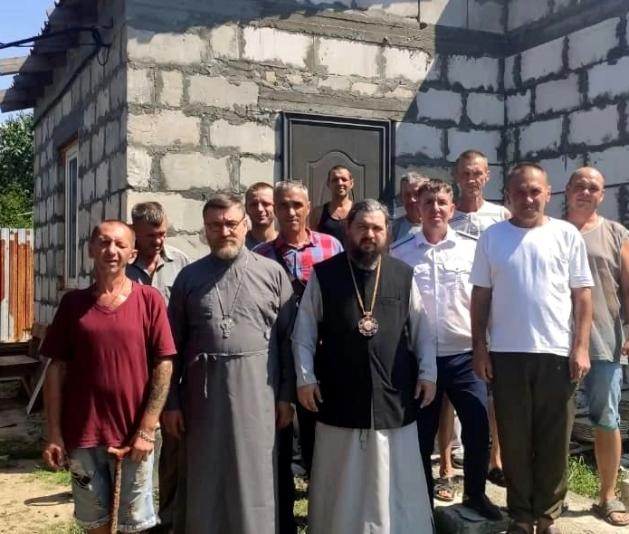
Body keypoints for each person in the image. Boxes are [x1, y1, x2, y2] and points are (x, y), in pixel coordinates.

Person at [293, 199, 437, 534]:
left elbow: (422, 329)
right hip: (339, 392)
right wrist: (305, 378)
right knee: (343, 473)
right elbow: (304, 332)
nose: (369, 235)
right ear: (348, 230)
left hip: (393, 393)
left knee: (395, 471)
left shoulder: (402, 274)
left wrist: (428, 373)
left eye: (376, 228)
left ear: (387, 232)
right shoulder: (325, 275)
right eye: (362, 227)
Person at [470, 163, 593, 534]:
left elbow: (582, 296)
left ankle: (548, 515)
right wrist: (480, 349)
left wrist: (581, 347)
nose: (528, 199)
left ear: (548, 193)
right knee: (514, 439)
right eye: (520, 192)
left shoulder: (566, 235)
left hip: (557, 354)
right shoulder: (492, 238)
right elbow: (480, 297)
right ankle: (522, 516)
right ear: (508, 196)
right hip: (506, 355)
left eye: (535, 191)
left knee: (555, 440)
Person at [162, 193, 295, 534]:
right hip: (202, 401)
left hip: (258, 397)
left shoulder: (272, 273)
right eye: (215, 226)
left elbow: (287, 341)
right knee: (205, 475)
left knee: (255, 475)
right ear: (205, 230)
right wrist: (171, 403)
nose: (224, 232)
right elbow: (172, 347)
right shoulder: (189, 278)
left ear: (245, 225)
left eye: (231, 224)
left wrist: (285, 396)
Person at [41, 220, 175, 534]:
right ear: (90, 249)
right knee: (95, 525)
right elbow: (56, 369)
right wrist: (54, 433)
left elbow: (164, 364)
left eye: (120, 244)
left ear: (132, 254)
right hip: (83, 435)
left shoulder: (149, 300)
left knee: (135, 526)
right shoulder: (73, 304)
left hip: (134, 435)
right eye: (103, 242)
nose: (111, 250)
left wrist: (147, 428)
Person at [391, 180, 502, 520]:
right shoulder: (400, 252)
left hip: (465, 355)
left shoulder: (473, 249)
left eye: (442, 202)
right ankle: (421, 504)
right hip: (419, 360)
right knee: (421, 436)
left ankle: (475, 495)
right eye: (428, 202)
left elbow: (486, 299)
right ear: (418, 207)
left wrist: (487, 347)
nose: (435, 208)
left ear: (452, 209)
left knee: (477, 427)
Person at [253, 180, 343, 534]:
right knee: (277, 445)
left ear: (308, 208)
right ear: (274, 209)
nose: (290, 211)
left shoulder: (331, 246)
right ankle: (283, 522)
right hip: (274, 362)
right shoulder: (260, 254)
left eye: (296, 205)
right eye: (283, 205)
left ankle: (324, 518)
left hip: (320, 360)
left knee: (318, 443)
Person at [565, 167, 629, 527]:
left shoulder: (615, 233)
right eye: (579, 185)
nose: (585, 191)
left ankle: (608, 496)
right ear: (566, 190)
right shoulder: (551, 230)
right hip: (555, 341)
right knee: (554, 421)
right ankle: (551, 494)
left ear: (602, 194)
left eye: (593, 187)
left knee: (607, 419)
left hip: (603, 341)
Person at [442, 149, 511, 492]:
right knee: (452, 393)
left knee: (494, 389)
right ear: (457, 176)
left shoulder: (501, 215)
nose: (472, 179)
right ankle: (448, 460)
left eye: (477, 173)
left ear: (487, 176)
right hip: (457, 315)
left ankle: (495, 458)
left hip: (497, 313)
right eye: (466, 173)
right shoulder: (448, 216)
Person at [126, 201, 190, 534]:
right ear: (135, 232)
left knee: (173, 447)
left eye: (163, 233)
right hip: (134, 368)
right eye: (151, 235)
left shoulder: (181, 263)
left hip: (172, 368)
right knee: (138, 441)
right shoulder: (123, 267)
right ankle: (135, 516)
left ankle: (168, 519)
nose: (159, 241)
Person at [309, 165, 353, 243]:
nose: (340, 183)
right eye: (335, 180)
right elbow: (312, 242)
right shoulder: (318, 213)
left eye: (344, 179)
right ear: (328, 184)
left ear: (351, 183)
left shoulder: (358, 211)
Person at [391, 172, 430, 242]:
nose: (412, 199)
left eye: (416, 194)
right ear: (401, 198)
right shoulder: (393, 230)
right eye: (407, 195)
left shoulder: (441, 225)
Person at [245, 182, 278, 249]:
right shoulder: (238, 245)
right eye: (254, 204)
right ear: (246, 208)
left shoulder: (287, 245)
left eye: (266, 204)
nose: (260, 209)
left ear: (276, 207)